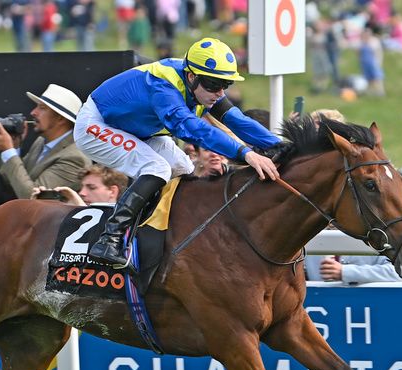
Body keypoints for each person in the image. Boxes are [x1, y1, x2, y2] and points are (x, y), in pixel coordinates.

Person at [74, 37, 281, 267]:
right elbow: (193, 129)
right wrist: (246, 154)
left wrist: (279, 145)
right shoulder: (163, 87)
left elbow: (238, 120)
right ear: (191, 77)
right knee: (158, 167)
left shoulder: (201, 86)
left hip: (135, 129)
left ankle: (162, 229)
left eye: (225, 85)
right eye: (213, 84)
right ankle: (109, 238)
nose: (219, 93)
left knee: (184, 168)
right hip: (96, 124)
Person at [0, 83, 91, 199]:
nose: (33, 112)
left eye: (42, 108)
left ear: (60, 118)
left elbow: (33, 198)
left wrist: (9, 151)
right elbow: (11, 183)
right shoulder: (40, 141)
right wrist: (15, 147)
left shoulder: (76, 158)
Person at [32, 164, 129, 206]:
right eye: (82, 187)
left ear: (112, 191)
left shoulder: (124, 222)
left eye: (91, 187)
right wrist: (37, 207)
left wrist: (79, 207)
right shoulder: (69, 213)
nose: (82, 193)